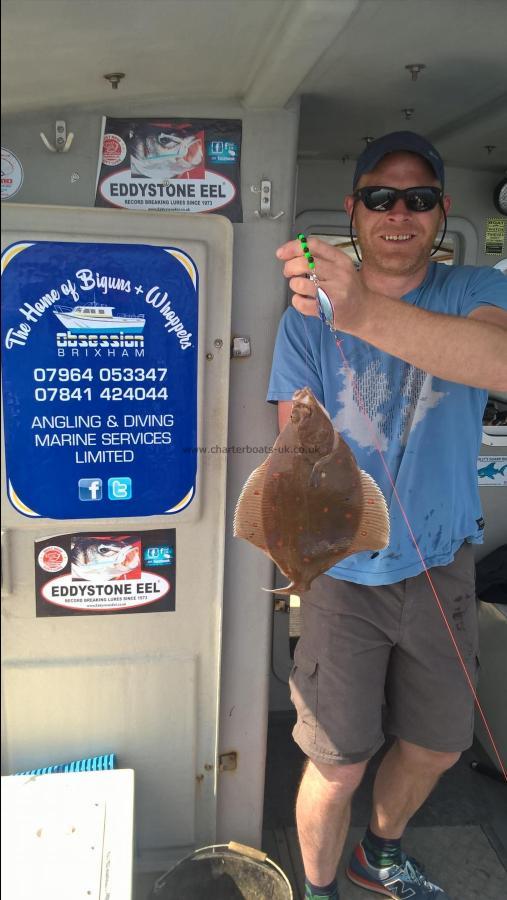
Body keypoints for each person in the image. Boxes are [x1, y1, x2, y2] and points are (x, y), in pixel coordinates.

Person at [267, 131, 507, 900]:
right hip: (344, 569)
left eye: (418, 198)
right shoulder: (305, 319)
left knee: (438, 744)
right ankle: (317, 889)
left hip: (442, 558)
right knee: (336, 760)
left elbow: (497, 362)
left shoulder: (477, 290)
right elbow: (292, 436)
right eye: (379, 196)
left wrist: (361, 310)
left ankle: (381, 851)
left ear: (440, 213)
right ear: (353, 210)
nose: (397, 212)